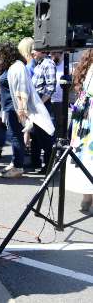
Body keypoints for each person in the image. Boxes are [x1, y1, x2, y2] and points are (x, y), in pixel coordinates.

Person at [0, 43, 54, 178]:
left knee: (17, 137)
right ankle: (16, 163)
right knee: (16, 136)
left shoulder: (17, 66)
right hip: (10, 107)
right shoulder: (11, 66)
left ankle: (18, 167)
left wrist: (21, 108)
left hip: (16, 108)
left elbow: (22, 88)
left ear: (7, 54)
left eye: (0, 54)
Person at [69, 49, 93, 212]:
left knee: (84, 155)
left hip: (82, 114)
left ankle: (86, 197)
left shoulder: (87, 65)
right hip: (89, 115)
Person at [30, 49, 56, 173]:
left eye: (34, 50)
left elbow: (50, 87)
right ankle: (39, 164)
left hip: (43, 106)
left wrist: (40, 103)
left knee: (46, 137)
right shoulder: (39, 64)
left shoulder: (48, 63)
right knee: (36, 136)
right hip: (37, 106)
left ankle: (49, 167)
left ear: (42, 51)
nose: (32, 53)